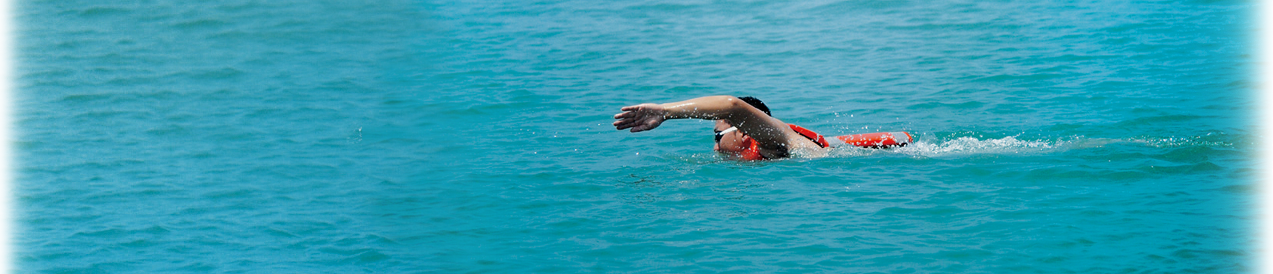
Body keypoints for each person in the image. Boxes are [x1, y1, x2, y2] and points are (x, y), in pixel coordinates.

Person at [613, 95, 830, 160]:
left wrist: (665, 111)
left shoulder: (775, 144)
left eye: (718, 136)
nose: (716, 147)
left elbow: (731, 106)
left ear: (745, 132)